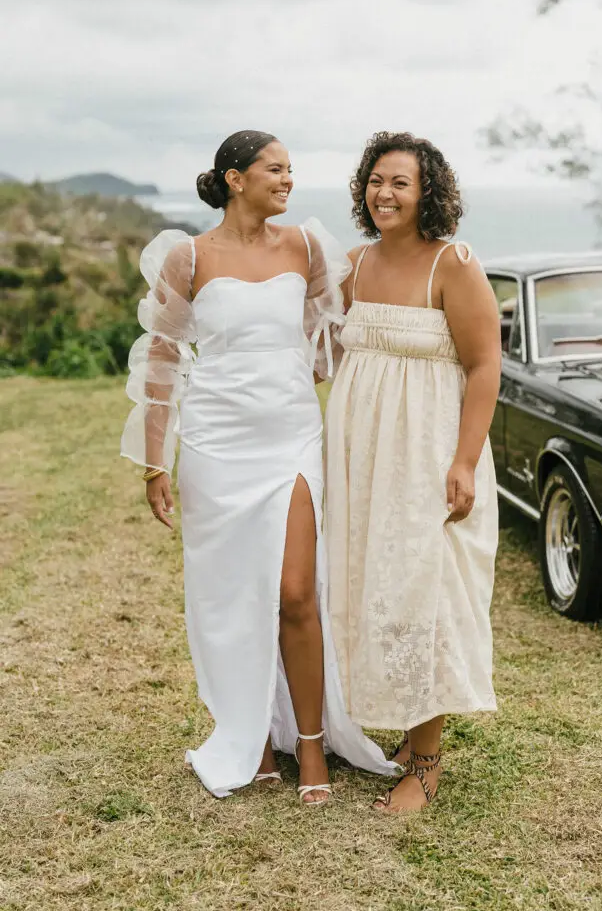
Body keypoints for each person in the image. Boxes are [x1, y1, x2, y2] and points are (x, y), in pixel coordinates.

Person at [121, 130, 395, 804]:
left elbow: (335, 336)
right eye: (275, 170)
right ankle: (248, 731)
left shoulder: (305, 247)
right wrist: (155, 462)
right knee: (234, 599)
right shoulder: (187, 258)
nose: (287, 181)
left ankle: (308, 744)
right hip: (215, 445)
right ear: (234, 178)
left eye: (290, 170)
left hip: (291, 438)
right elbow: (160, 360)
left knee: (297, 591)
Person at [324, 131, 501, 812]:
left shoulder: (451, 264)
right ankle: (401, 730)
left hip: (427, 453)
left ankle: (425, 763)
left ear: (427, 191)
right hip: (360, 454)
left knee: (418, 593)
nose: (383, 192)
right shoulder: (352, 264)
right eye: (374, 180)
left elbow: (485, 366)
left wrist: (461, 462)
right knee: (374, 587)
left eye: (399, 181)